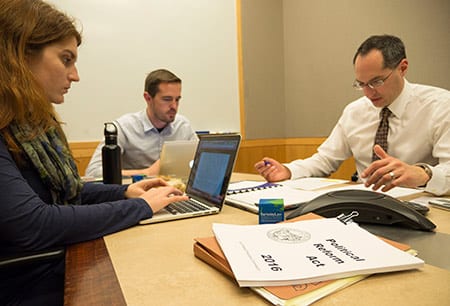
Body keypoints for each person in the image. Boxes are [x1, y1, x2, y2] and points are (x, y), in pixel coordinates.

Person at [0, 1, 188, 305]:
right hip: (30, 284)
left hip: (53, 263)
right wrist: (140, 207)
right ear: (19, 55)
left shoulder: (31, 128)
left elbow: (64, 195)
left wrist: (125, 193)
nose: (75, 75)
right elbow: (32, 224)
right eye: (65, 59)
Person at [255, 35, 450, 196]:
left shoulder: (440, 106)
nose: (368, 93)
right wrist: (288, 171)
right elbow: (325, 160)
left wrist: (422, 173)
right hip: (363, 205)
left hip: (418, 206)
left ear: (403, 68)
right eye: (361, 84)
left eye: (377, 81)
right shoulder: (355, 111)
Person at [85, 69, 198, 178]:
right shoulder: (124, 127)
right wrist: (146, 172)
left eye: (177, 99)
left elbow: (201, 164)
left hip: (175, 192)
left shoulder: (183, 126)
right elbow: (93, 172)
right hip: (137, 194)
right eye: (167, 99)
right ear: (148, 98)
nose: (174, 106)